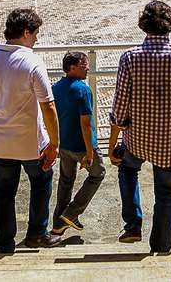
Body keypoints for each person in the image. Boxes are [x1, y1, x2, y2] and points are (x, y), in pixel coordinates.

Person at [108, 0, 171, 254]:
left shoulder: (129, 58)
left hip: (136, 140)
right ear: (170, 25)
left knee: (128, 171)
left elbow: (120, 106)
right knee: (166, 193)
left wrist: (111, 144)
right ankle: (161, 247)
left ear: (143, 26)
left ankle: (132, 224)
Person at [0, 8, 61, 253]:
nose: (37, 39)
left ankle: (5, 243)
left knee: (4, 192)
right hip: (30, 142)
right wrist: (55, 143)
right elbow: (48, 106)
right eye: (36, 34)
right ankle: (37, 234)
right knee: (41, 183)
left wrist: (0, 92)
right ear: (26, 32)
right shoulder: (31, 61)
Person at [51, 52, 106, 235]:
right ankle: (72, 213)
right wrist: (89, 152)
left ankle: (58, 224)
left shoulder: (56, 88)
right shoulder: (82, 89)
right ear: (72, 67)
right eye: (84, 65)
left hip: (64, 144)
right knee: (97, 174)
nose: (88, 67)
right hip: (82, 146)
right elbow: (86, 123)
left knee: (66, 181)